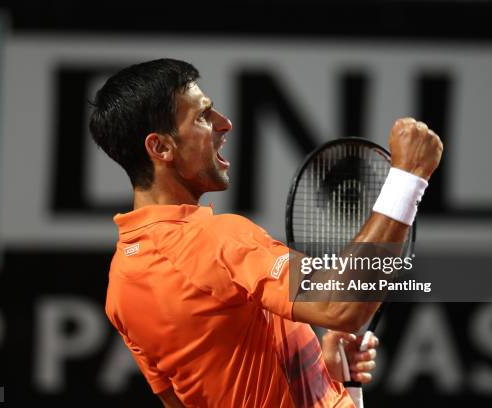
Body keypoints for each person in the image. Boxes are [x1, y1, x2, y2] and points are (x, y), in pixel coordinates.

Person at [89, 58, 442, 407]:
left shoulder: (120, 287)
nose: (224, 124)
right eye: (202, 116)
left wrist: (332, 378)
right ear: (161, 147)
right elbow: (342, 307)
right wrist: (407, 178)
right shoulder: (216, 240)